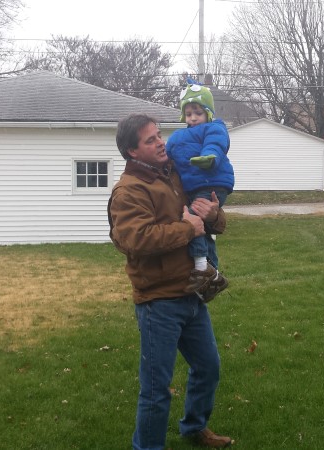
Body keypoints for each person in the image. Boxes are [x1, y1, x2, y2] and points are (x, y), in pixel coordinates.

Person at [108, 113, 234, 449]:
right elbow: (134, 239)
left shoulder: (176, 173)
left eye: (159, 135)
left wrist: (213, 216)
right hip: (158, 301)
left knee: (208, 368)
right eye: (150, 140)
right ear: (132, 151)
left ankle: (194, 428)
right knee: (156, 389)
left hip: (192, 293)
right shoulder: (129, 191)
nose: (160, 143)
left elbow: (207, 219)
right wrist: (187, 229)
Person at [166, 78, 234, 299]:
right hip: (195, 188)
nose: (193, 118)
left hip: (213, 183)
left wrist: (209, 157)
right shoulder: (178, 136)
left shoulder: (214, 127)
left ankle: (202, 267)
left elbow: (216, 143)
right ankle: (213, 275)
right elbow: (168, 154)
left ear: (208, 113)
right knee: (201, 227)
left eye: (198, 112)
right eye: (188, 114)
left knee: (193, 219)